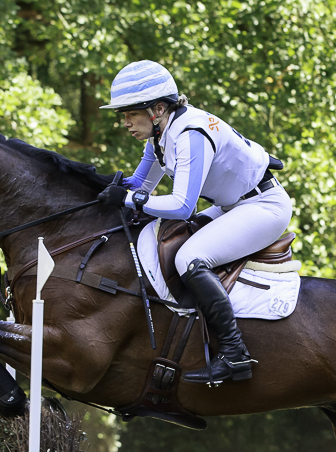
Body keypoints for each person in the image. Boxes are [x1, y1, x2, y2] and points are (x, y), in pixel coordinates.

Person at [98, 60, 293, 385]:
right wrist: (109, 190)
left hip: (264, 207)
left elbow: (182, 206)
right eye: (124, 116)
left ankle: (235, 354)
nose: (126, 123)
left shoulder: (191, 135)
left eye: (131, 114)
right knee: (173, 238)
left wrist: (129, 198)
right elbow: (140, 186)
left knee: (189, 257)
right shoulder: (159, 138)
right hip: (233, 205)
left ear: (157, 109)